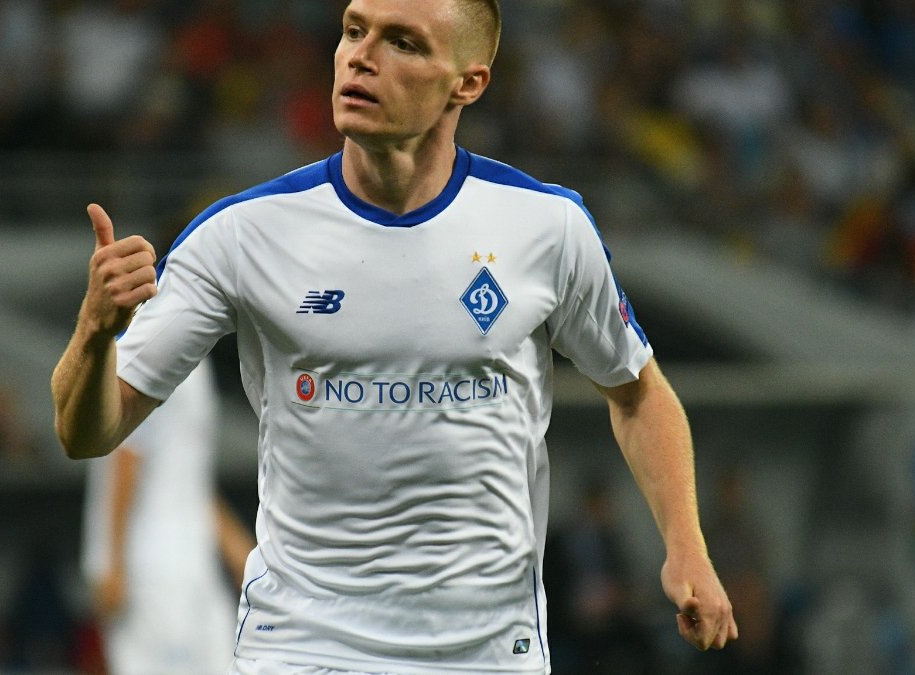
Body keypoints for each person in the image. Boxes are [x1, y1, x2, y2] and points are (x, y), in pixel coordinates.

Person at [51, 0, 737, 671]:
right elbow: (88, 433)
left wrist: (687, 545)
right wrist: (94, 332)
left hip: (488, 651)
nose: (361, 57)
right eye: (354, 30)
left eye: (403, 42)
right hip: (303, 646)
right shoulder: (240, 234)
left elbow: (637, 394)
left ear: (468, 82)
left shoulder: (546, 228)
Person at [80, 360, 255, 674]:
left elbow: (187, 479)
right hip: (151, 573)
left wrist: (241, 553)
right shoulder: (153, 353)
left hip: (192, 565)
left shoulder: (195, 366)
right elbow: (126, 456)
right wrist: (113, 563)